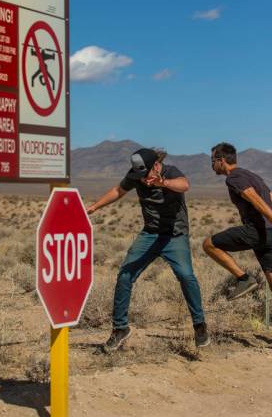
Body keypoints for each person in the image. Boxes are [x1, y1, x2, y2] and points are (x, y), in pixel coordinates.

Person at [87, 147, 210, 352]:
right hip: (150, 234)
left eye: (146, 174)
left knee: (186, 275)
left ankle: (200, 326)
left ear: (156, 166)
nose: (142, 179)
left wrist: (164, 183)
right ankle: (120, 329)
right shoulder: (136, 175)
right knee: (125, 275)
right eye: (139, 175)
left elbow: (185, 185)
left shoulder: (170, 172)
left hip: (174, 235)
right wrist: (94, 207)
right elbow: (118, 191)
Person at [202, 142, 272, 359]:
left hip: (257, 230)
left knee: (209, 244)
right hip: (270, 234)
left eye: (213, 161)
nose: (212, 165)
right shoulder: (252, 175)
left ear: (222, 160)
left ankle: (244, 278)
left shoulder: (234, 178)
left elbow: (255, 199)